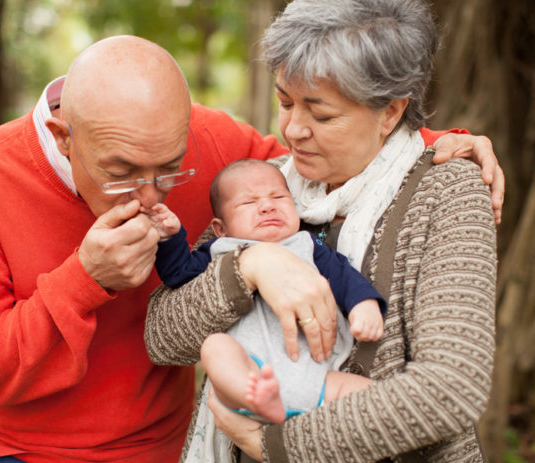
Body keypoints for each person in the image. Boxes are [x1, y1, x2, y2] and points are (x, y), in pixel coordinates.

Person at [0, 32, 499, 463]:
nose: (151, 195)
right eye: (122, 172)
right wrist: (84, 279)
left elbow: (314, 156)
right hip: (30, 453)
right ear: (63, 136)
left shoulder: (204, 140)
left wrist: (438, 144)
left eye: (171, 170)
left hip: (173, 445)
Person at [144, 1, 498, 462]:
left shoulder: (448, 192)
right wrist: (249, 265)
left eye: (321, 115)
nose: (292, 130)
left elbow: (452, 388)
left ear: (390, 112)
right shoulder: (268, 184)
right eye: (285, 101)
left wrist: (279, 445)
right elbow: (163, 337)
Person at [147, 158, 385, 430]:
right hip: (250, 371)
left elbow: (343, 276)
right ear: (221, 228)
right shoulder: (220, 250)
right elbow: (179, 274)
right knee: (214, 347)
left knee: (378, 398)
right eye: (249, 203)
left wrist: (364, 305)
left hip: (319, 376)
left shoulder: (308, 246)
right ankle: (256, 401)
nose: (267, 205)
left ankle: (278, 412)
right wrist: (170, 238)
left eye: (279, 197)